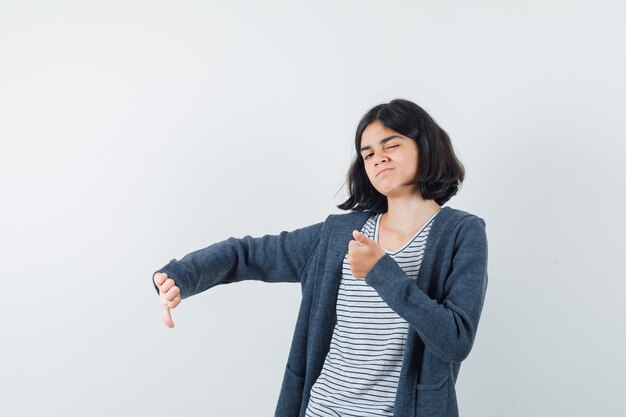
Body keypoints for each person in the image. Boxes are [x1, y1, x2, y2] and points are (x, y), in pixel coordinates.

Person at [152, 98, 488, 417]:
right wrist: (182, 276)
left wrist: (381, 272)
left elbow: (455, 340)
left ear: (425, 145)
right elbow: (248, 254)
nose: (378, 158)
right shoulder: (339, 235)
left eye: (392, 144)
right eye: (367, 154)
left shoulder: (462, 233)